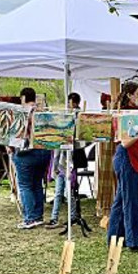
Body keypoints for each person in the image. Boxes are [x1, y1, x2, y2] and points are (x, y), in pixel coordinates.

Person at [107, 81, 138, 253]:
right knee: (132, 202)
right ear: (129, 96)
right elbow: (127, 142)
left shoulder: (134, 113)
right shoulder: (126, 114)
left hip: (128, 158)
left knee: (121, 201)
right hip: (126, 158)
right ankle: (135, 241)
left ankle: (114, 238)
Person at [12, 87, 52, 229]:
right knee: (37, 184)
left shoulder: (22, 112)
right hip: (44, 152)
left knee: (25, 186)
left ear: (23, 98)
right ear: (35, 98)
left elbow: (16, 133)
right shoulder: (43, 111)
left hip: (27, 153)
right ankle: (38, 216)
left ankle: (29, 218)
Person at [47, 92, 81, 229]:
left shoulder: (78, 117)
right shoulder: (63, 118)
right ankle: (54, 218)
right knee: (59, 191)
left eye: (71, 103)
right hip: (61, 160)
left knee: (68, 191)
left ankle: (72, 216)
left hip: (70, 160)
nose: (69, 106)